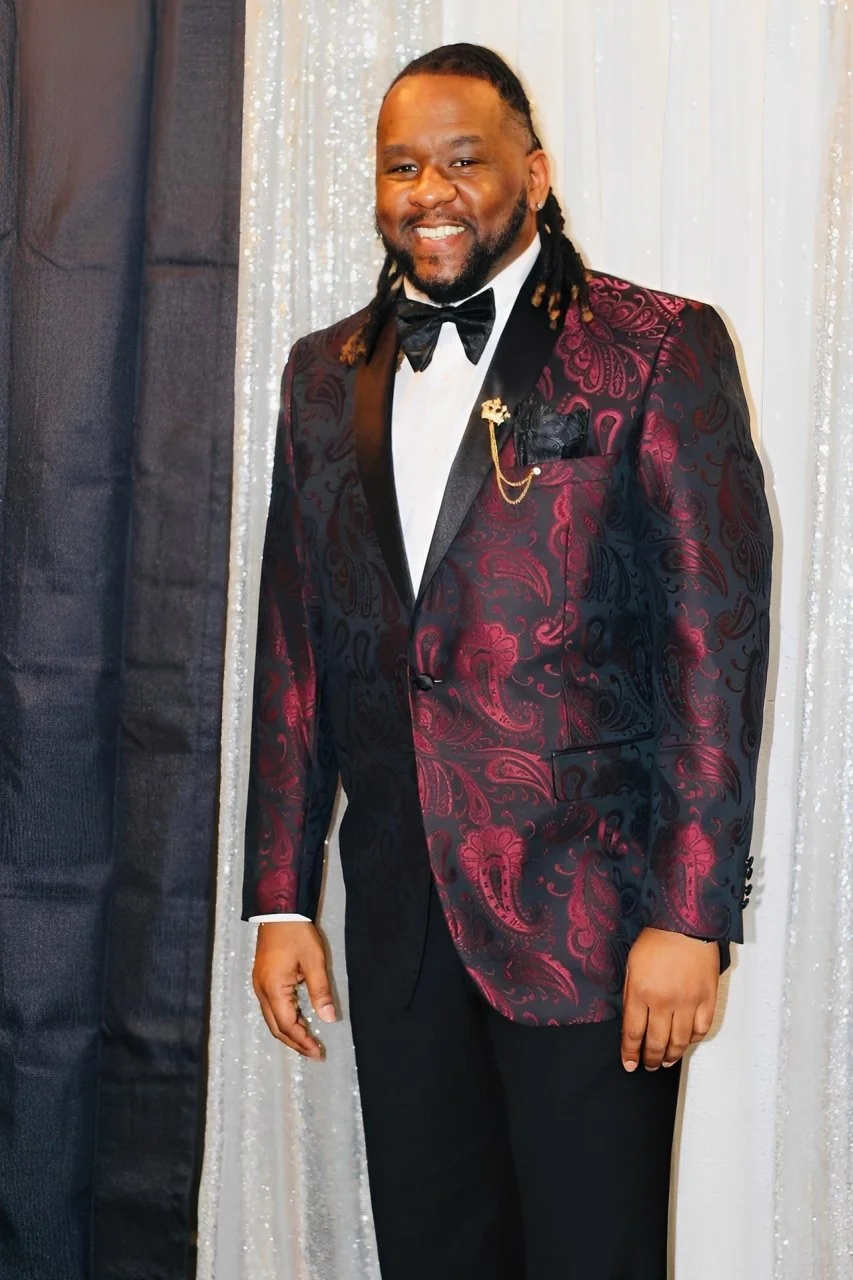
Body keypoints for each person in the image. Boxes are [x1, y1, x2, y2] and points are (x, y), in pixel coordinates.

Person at [243, 42, 772, 1280]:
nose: (429, 191)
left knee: (593, 1255)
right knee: (432, 1253)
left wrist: (690, 915)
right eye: (401, 166)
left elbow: (714, 645)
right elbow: (294, 642)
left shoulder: (655, 346)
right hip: (400, 922)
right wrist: (279, 895)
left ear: (532, 174)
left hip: (591, 918)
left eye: (462, 160)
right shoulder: (323, 373)